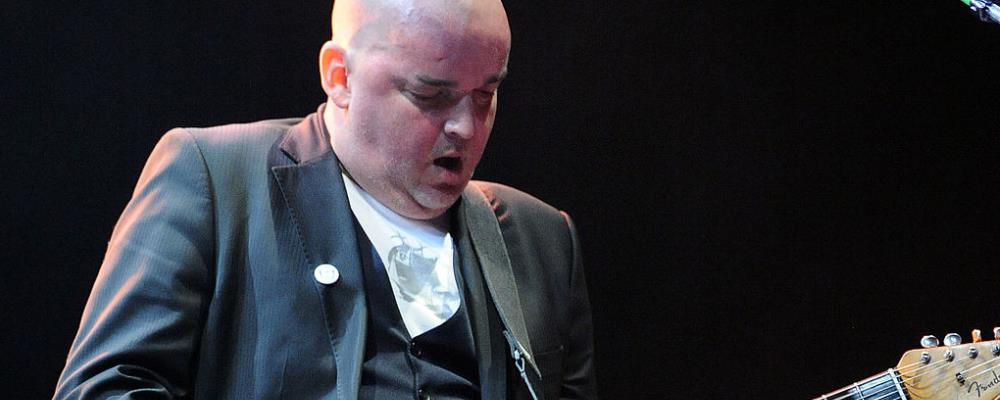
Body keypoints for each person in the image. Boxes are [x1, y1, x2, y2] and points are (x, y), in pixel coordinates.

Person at [53, 0, 597, 398]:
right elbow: (103, 389)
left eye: (485, 94)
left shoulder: (541, 238)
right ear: (339, 76)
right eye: (431, 95)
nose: (465, 126)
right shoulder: (216, 178)